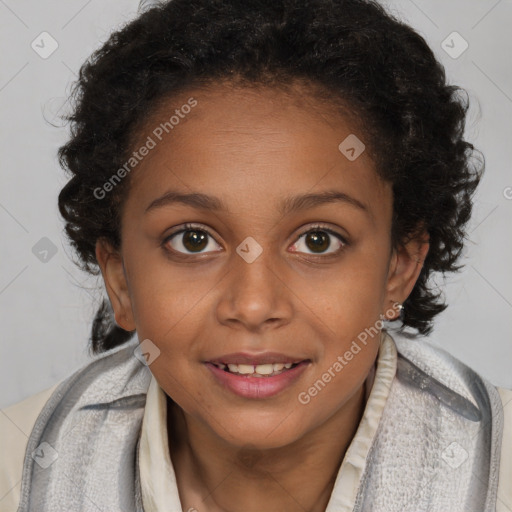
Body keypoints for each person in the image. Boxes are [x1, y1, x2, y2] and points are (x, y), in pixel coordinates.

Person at [1, 0, 510, 511]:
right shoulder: (20, 470)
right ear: (121, 280)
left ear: (399, 268)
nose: (252, 304)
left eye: (318, 240)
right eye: (193, 240)